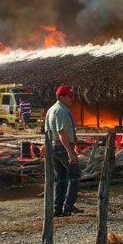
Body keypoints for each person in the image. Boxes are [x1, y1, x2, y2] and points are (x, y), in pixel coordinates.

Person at [45, 85, 82, 217]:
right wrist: (70, 152)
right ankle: (68, 206)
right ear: (62, 97)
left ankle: (57, 208)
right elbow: (61, 132)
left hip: (54, 147)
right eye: (69, 96)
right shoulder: (60, 110)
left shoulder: (52, 109)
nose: (72, 98)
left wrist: (74, 137)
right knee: (75, 173)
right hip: (62, 146)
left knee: (60, 177)